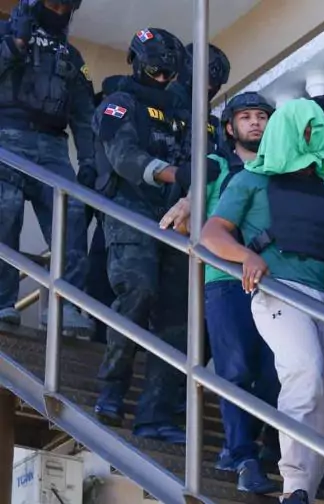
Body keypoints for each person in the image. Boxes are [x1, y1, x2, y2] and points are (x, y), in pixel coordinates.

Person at [200, 98, 324, 504]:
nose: (314, 136)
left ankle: (302, 493)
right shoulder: (250, 179)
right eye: (306, 129)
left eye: (317, 129)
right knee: (304, 373)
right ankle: (293, 480)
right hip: (278, 292)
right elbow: (211, 234)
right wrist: (245, 256)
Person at [161, 91, 280, 493]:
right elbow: (191, 208)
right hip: (224, 279)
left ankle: (258, 447)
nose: (255, 123)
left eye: (262, 116)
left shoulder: (278, 167)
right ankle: (242, 454)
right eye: (246, 117)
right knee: (236, 369)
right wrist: (187, 205)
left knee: (273, 374)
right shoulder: (215, 164)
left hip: (272, 281)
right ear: (229, 127)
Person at [91, 27, 192, 444]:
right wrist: (175, 174)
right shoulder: (119, 104)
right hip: (129, 209)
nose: (163, 79)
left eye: (170, 73)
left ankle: (155, 414)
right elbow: (123, 157)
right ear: (135, 62)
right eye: (155, 71)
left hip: (176, 217)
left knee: (177, 317)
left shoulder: (183, 113)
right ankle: (112, 389)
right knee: (139, 292)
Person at [0, 0, 94, 336]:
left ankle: (64, 306)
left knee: (72, 215)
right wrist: (15, 43)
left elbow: (84, 115)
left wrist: (89, 161)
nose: (60, 12)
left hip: (54, 146)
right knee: (6, 213)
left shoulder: (72, 56)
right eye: (54, 3)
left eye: (66, 6)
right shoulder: (6, 32)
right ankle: (2, 302)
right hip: (7, 136)